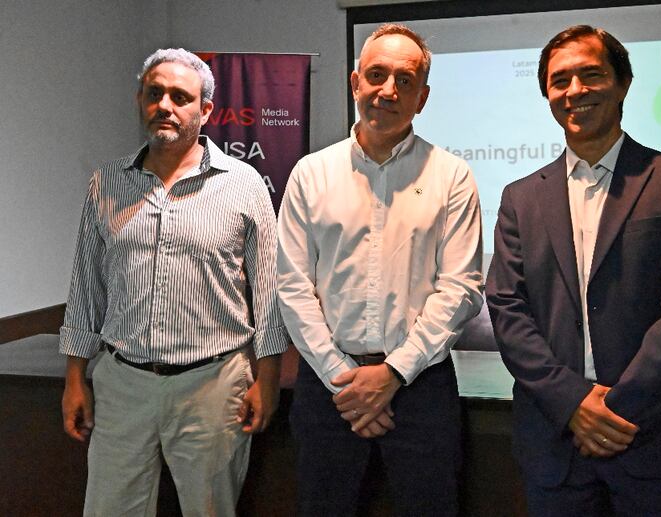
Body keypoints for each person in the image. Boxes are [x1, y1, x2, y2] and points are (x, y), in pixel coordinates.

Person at [486, 25, 661, 516]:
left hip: (652, 436)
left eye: (591, 75)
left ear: (623, 83)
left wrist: (615, 409)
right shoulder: (519, 198)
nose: (575, 90)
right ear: (547, 94)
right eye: (560, 80)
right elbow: (507, 308)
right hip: (555, 442)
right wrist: (573, 403)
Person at [59, 48, 288, 516]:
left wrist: (267, 380)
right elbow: (85, 288)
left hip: (213, 386)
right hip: (122, 387)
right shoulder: (107, 183)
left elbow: (269, 295)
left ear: (206, 110)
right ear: (140, 100)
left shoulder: (244, 184)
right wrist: (74, 378)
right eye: (154, 93)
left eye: (180, 97)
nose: (164, 105)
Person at [276, 23, 483, 516]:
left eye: (404, 81)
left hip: (421, 386)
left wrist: (391, 374)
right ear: (355, 83)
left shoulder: (452, 176)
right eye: (376, 75)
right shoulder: (310, 173)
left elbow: (460, 289)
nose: (388, 90)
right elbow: (292, 285)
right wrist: (344, 379)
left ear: (422, 98)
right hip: (328, 386)